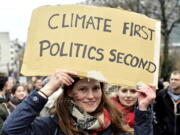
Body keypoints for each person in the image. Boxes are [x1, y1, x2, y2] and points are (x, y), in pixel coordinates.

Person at [2, 69, 155, 135]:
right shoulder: (53, 125)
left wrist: (142, 108)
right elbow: (11, 131)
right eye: (82, 89)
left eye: (96, 88)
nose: (91, 96)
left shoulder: (113, 124)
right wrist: (48, 89)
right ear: (70, 92)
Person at [154, 70, 180, 135]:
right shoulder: (162, 94)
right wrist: (161, 129)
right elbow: (157, 114)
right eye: (172, 79)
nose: (173, 81)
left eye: (176, 80)